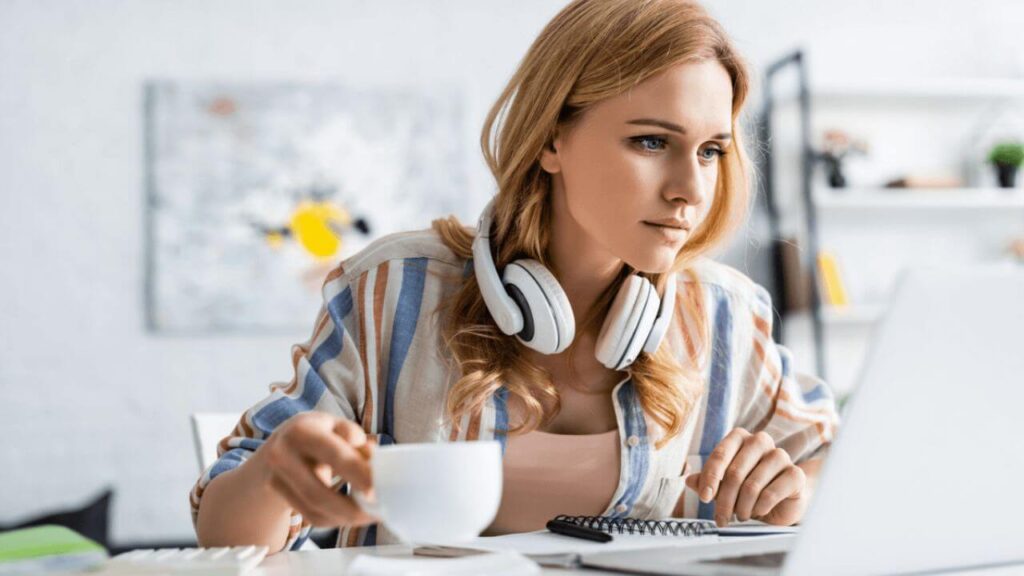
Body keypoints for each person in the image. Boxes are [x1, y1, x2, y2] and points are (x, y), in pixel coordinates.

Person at [191, 0, 839, 553]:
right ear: (552, 139)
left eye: (711, 151)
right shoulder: (397, 291)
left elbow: (845, 462)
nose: (690, 190)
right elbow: (225, 537)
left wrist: (797, 489)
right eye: (650, 141)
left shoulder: (723, 315)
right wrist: (278, 474)